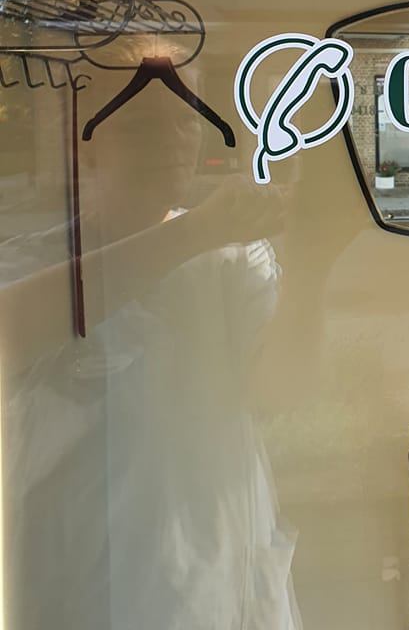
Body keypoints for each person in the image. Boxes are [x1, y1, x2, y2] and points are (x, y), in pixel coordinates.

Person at [0, 41, 300, 630]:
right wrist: (196, 234)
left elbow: (280, 389)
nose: (174, 141)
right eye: (142, 124)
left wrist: (317, 256)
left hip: (219, 592)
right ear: (85, 142)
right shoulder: (33, 265)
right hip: (85, 600)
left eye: (187, 119)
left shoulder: (234, 259)